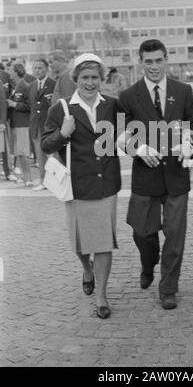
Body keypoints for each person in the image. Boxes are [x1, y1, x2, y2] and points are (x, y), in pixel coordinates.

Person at [41, 53, 121, 319]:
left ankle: (101, 295)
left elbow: (128, 134)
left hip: (105, 183)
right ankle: (86, 269)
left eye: (95, 78)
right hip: (76, 185)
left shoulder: (112, 105)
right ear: (75, 79)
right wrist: (63, 133)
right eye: (84, 78)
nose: (90, 83)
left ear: (102, 79)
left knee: (103, 242)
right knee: (79, 243)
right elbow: (45, 145)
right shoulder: (61, 108)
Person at [118, 39, 193, 310]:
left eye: (158, 60)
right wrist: (138, 147)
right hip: (145, 176)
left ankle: (168, 288)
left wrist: (189, 142)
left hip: (176, 177)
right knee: (142, 232)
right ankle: (148, 262)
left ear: (166, 60)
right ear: (141, 62)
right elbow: (121, 135)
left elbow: (190, 127)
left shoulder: (184, 91)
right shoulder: (128, 96)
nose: (154, 66)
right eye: (148, 61)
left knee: (175, 236)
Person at [28, 59, 56, 191]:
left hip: (49, 125)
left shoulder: (53, 84)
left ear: (46, 69)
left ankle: (56, 181)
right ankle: (43, 180)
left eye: (40, 68)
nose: (37, 70)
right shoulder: (32, 85)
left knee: (53, 155)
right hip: (36, 125)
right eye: (35, 68)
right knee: (40, 155)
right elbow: (32, 107)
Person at [7, 64, 33, 186]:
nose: (8, 72)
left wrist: (14, 105)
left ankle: (28, 178)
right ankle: (24, 176)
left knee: (24, 152)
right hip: (15, 123)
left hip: (22, 124)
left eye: (10, 70)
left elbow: (30, 106)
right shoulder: (15, 86)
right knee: (19, 152)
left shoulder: (25, 86)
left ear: (16, 72)